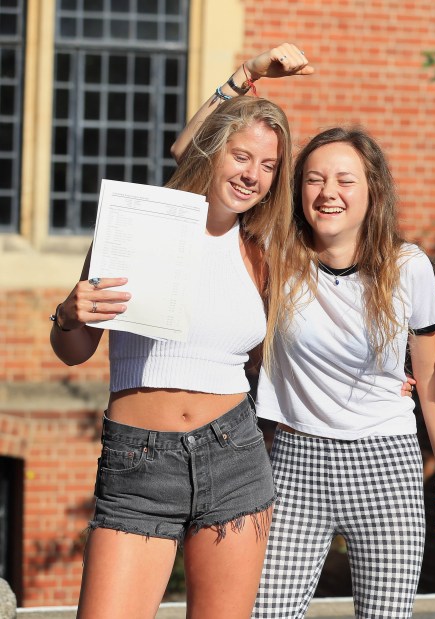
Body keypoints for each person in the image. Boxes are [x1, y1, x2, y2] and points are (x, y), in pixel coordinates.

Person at [174, 45, 435, 619]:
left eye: (344, 180)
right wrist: (246, 76)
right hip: (293, 462)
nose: (328, 192)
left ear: (372, 191)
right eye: (313, 179)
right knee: (267, 612)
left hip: (387, 464)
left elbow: (430, 375)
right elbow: (190, 157)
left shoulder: (408, 266)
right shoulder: (275, 252)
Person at [50, 94, 295, 617]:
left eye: (269, 165)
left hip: (234, 458)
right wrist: (69, 314)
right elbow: (73, 351)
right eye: (241, 156)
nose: (253, 174)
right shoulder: (137, 229)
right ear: (212, 151)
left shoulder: (262, 251)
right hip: (139, 463)